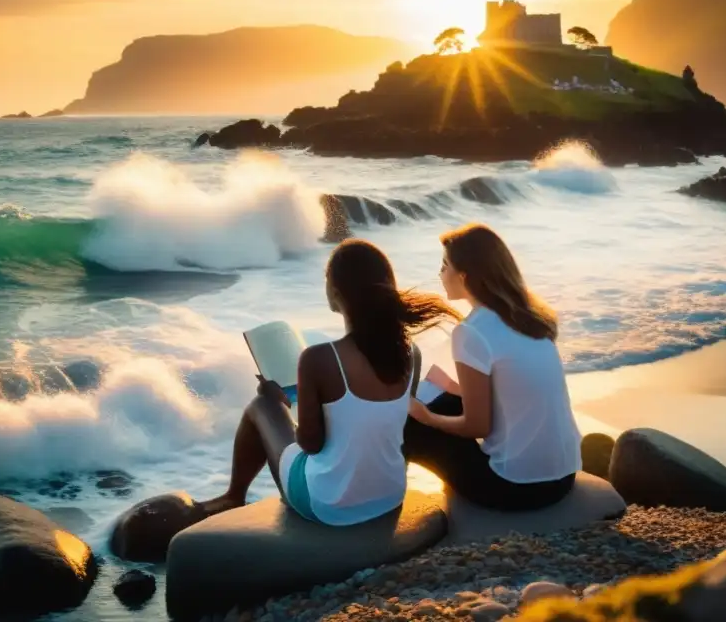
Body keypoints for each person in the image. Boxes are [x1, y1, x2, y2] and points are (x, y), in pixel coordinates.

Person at [201, 238, 460, 525]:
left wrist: (285, 404)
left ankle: (234, 495)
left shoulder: (318, 359)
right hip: (388, 495)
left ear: (335, 291)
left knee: (262, 405)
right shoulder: (412, 353)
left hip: (329, 505)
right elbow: (392, 425)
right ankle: (234, 494)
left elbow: (311, 444)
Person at [403, 223, 582, 511]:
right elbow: (514, 392)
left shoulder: (472, 332)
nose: (440, 273)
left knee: (410, 426)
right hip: (563, 476)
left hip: (515, 487)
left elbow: (478, 425)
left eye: (445, 265)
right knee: (447, 399)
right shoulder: (530, 317)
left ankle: (379, 500)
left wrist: (426, 417)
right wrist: (453, 389)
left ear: (464, 276)